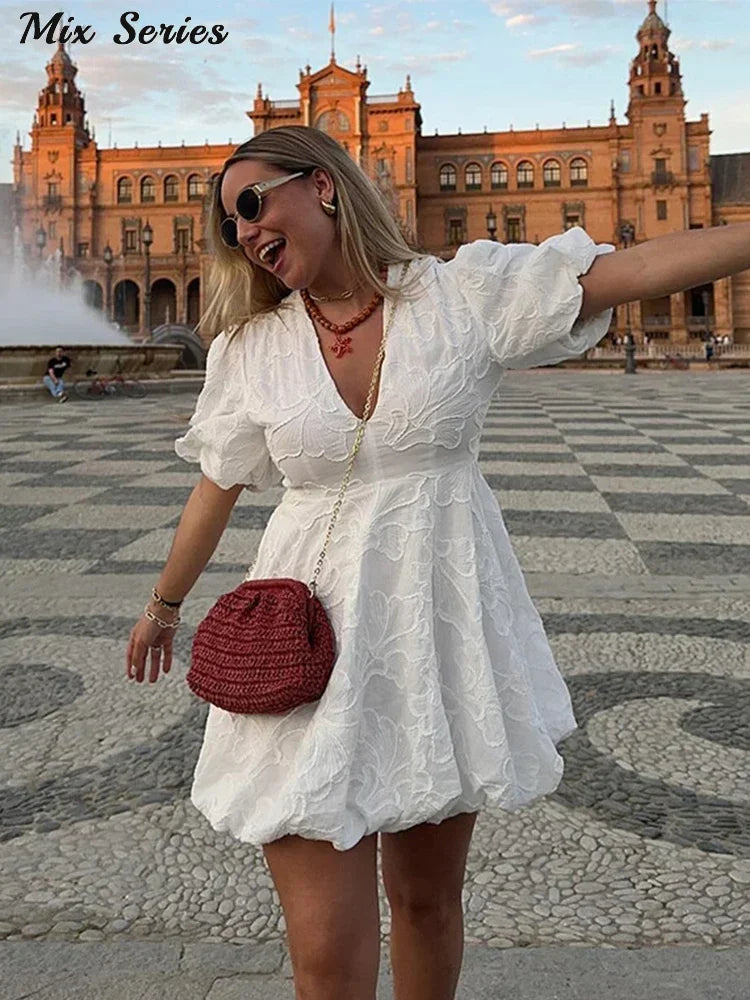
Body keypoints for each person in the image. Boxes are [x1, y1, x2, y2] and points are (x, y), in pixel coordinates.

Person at [125, 126, 750, 1000]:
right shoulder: (251, 346)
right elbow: (215, 486)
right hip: (305, 640)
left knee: (425, 905)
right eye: (231, 223)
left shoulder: (460, 296)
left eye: (254, 203)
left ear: (324, 186)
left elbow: (634, 269)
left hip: (435, 626)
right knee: (325, 954)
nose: (245, 232)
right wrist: (162, 606)